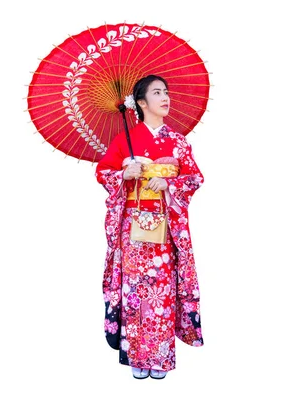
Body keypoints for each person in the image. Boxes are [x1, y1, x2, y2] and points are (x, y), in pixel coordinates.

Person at [95, 75, 204, 380]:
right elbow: (103, 172)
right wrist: (124, 174)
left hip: (165, 226)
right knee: (135, 292)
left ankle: (162, 357)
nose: (165, 97)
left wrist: (168, 182)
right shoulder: (123, 140)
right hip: (134, 228)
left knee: (163, 291)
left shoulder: (178, 142)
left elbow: (195, 178)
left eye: (166, 92)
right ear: (141, 104)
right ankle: (137, 357)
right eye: (157, 93)